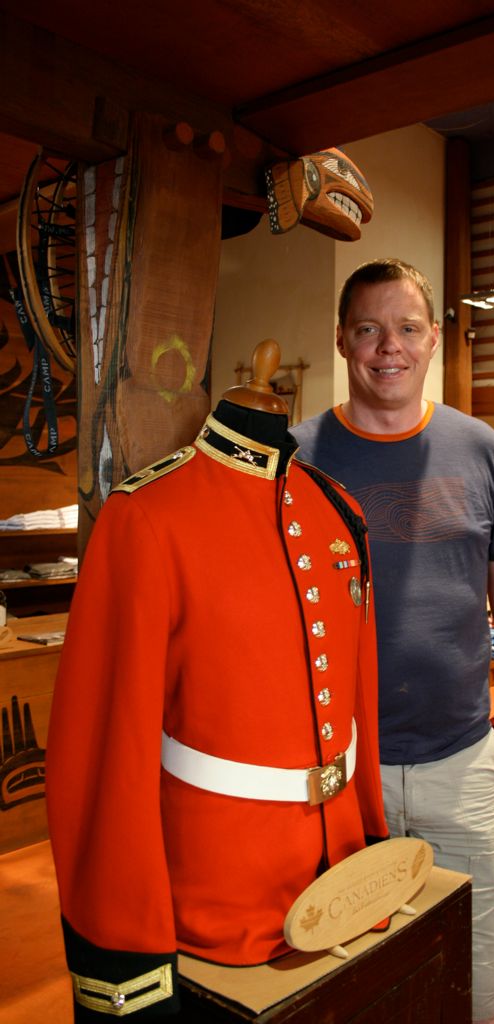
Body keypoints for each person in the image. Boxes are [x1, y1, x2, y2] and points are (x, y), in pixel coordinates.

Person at [46, 352, 388, 1020]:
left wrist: (369, 839)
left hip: (343, 869)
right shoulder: (148, 514)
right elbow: (104, 746)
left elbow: (359, 704)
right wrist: (124, 951)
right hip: (219, 891)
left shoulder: (337, 509)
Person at [292, 258, 494, 1024]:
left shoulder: (479, 448)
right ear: (341, 340)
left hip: (460, 765)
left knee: (472, 975)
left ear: (433, 338)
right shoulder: (295, 458)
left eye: (406, 328)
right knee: (346, 977)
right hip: (337, 775)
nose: (389, 347)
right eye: (368, 330)